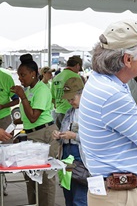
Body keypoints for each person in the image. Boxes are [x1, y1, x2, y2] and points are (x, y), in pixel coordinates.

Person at [78, 19, 137, 206]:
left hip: (111, 190)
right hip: (118, 195)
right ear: (127, 59)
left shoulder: (101, 81)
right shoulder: (112, 93)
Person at [10, 53, 59, 206]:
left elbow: (33, 117)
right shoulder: (30, 89)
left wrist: (22, 97)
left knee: (45, 178)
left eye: (23, 75)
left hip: (44, 134)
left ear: (33, 74)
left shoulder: (41, 90)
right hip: (31, 134)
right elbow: (26, 118)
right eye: (19, 75)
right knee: (30, 177)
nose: (20, 78)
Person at [52, 77, 87, 206]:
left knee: (80, 197)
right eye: (68, 99)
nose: (70, 101)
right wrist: (59, 135)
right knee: (69, 195)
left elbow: (94, 138)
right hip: (67, 155)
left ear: (82, 94)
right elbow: (63, 130)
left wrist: (74, 136)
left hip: (80, 156)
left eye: (73, 98)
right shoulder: (69, 112)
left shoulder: (90, 113)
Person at [51, 56, 82, 129]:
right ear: (77, 65)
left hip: (57, 112)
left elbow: (52, 98)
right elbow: (82, 95)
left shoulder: (56, 77)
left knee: (59, 137)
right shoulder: (75, 77)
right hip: (70, 112)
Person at [0, 64, 19, 140]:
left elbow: (16, 100)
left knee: (7, 146)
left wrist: (3, 106)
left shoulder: (6, 78)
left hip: (4, 118)